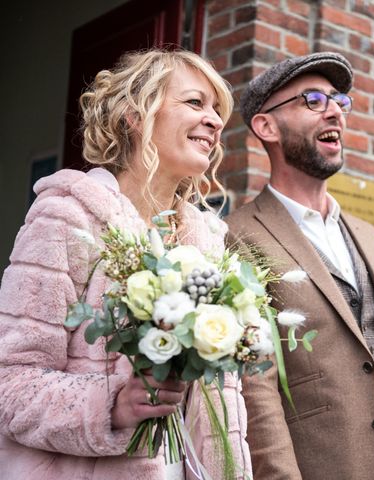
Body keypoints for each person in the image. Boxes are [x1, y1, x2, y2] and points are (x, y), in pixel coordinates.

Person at [0, 49, 251, 479]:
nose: (214, 120)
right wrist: (113, 405)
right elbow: (11, 386)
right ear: (136, 115)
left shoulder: (209, 245)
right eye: (195, 103)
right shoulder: (67, 218)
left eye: (216, 110)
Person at [225, 52, 374, 480]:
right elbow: (255, 387)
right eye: (312, 100)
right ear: (267, 126)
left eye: (338, 100)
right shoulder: (236, 236)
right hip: (331, 465)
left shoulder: (365, 232)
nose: (334, 110)